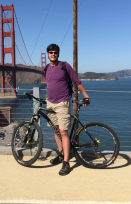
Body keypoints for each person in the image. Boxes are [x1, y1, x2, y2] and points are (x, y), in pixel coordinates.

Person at [45, 43, 90, 176]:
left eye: (55, 52)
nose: (53, 54)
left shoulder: (65, 66)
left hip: (62, 103)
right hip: (50, 103)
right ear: (48, 54)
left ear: (58, 54)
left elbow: (76, 81)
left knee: (63, 132)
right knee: (56, 129)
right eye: (51, 52)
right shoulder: (46, 68)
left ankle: (66, 163)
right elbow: (52, 84)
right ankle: (61, 154)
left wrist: (86, 96)